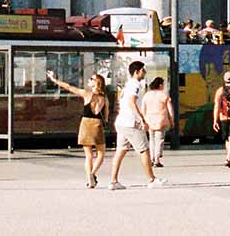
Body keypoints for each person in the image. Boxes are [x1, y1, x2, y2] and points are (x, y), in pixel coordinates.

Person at [47, 70, 110, 188]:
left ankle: (89, 178)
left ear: (97, 82)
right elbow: (106, 115)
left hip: (86, 123)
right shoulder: (104, 98)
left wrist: (54, 79)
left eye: (91, 79)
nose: (89, 80)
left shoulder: (87, 94)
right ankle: (92, 174)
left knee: (88, 155)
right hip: (97, 124)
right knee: (101, 153)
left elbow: (69, 87)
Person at [109, 61, 165, 190]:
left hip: (121, 122)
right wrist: (141, 119)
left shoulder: (127, 84)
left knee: (120, 151)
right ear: (137, 72)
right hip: (131, 123)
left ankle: (113, 181)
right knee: (144, 150)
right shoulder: (135, 85)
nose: (144, 73)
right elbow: (132, 102)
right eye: (143, 70)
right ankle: (152, 179)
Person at [143, 77, 174, 169]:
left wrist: (144, 119)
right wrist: (172, 120)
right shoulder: (163, 95)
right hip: (161, 120)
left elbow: (143, 109)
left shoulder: (147, 95)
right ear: (160, 85)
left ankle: (152, 159)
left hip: (149, 120)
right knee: (159, 140)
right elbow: (170, 109)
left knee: (151, 140)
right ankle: (157, 160)